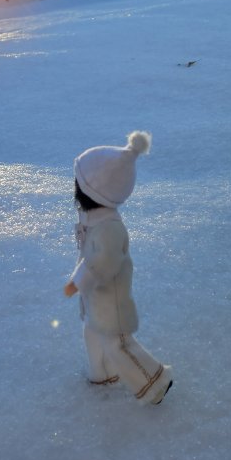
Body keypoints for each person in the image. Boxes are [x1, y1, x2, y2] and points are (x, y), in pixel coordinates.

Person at [64, 131, 173, 405]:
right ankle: (102, 375)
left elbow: (104, 263)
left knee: (119, 345)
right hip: (95, 301)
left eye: (79, 183)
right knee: (93, 336)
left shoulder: (109, 229)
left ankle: (154, 382)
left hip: (110, 301)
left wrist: (77, 281)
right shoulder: (93, 219)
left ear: (93, 192)